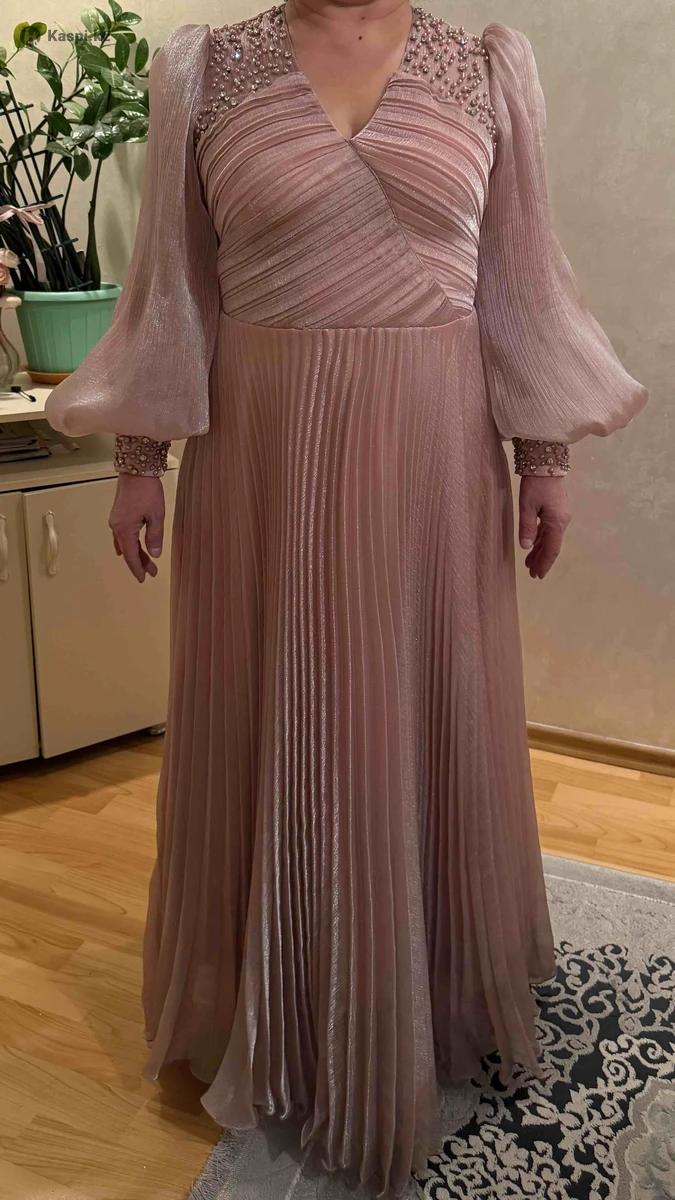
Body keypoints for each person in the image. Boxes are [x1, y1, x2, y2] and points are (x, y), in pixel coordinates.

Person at [44, 1, 648, 1195]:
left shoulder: (486, 67)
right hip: (264, 458)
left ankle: (429, 985)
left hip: (432, 458)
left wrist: (545, 457)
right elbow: (174, 285)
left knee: (418, 713)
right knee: (277, 709)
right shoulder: (206, 68)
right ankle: (280, 1003)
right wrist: (136, 461)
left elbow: (519, 278)